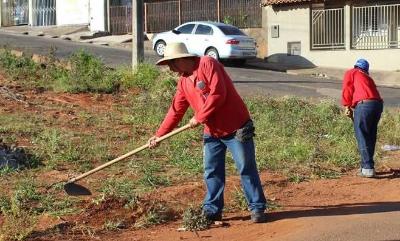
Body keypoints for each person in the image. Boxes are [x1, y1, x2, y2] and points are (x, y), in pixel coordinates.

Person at [148, 42, 267, 223]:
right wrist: (160, 135)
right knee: (212, 170)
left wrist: (199, 116)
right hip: (212, 131)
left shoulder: (207, 63)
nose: (171, 69)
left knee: (245, 167)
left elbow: (219, 93)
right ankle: (212, 209)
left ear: (181, 59)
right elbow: (176, 110)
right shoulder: (184, 81)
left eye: (171, 64)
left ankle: (257, 208)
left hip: (236, 127)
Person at [341, 58, 383, 178]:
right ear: (366, 69)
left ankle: (367, 168)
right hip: (377, 105)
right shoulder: (367, 77)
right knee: (370, 135)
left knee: (362, 135)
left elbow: (347, 89)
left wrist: (347, 106)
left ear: (356, 66)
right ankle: (367, 166)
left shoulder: (351, 72)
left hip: (364, 105)